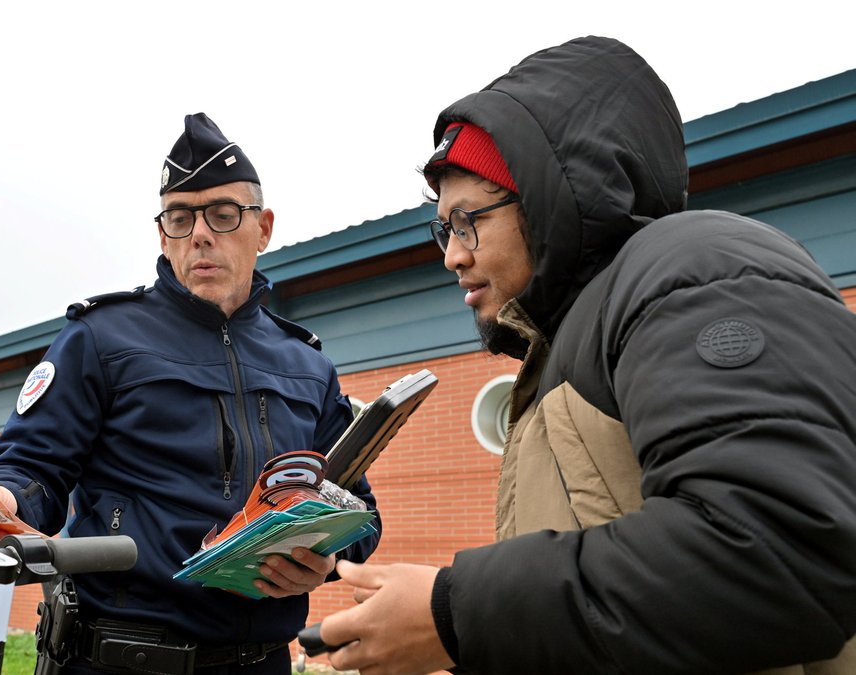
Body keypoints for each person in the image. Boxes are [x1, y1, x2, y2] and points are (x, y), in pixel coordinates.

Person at [315, 36, 856, 674]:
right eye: (443, 229)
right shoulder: (566, 345)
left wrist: (455, 614)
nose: (452, 255)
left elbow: (782, 549)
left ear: (546, 200)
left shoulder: (695, 267)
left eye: (468, 221)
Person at [0, 112, 381, 674]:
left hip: (262, 662)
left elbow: (359, 511)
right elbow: (34, 469)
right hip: (119, 659)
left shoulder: (308, 364)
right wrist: (3, 499)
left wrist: (327, 553)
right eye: (179, 217)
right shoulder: (100, 338)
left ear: (263, 228)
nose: (199, 234)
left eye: (223, 214)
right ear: (162, 232)